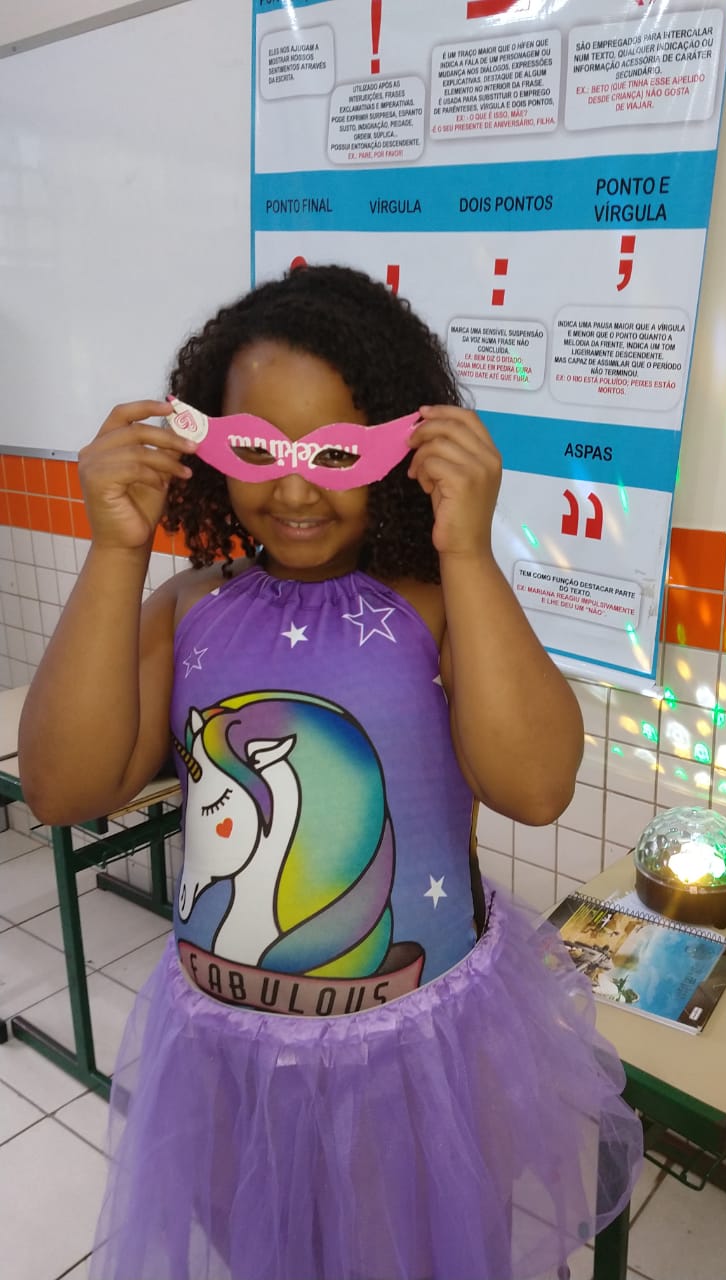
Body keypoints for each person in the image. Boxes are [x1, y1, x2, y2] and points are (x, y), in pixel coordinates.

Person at [19, 264, 644, 1280]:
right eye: (257, 448)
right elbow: (61, 787)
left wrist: (470, 553)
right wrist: (114, 551)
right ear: (206, 445)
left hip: (409, 1059)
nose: (297, 488)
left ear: (403, 447)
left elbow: (535, 789)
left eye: (339, 453)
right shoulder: (189, 608)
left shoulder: (437, 605)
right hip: (227, 1058)